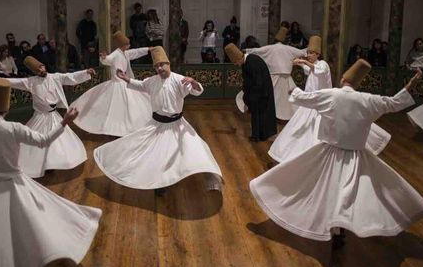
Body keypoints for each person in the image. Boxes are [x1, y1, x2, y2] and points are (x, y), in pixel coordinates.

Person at [250, 60, 423, 247]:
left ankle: (330, 223)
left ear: (343, 78)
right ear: (358, 83)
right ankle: (341, 226)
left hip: (329, 153)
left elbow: (306, 98)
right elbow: (394, 103)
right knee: (353, 192)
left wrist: (293, 92)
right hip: (356, 156)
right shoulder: (368, 100)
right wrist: (412, 84)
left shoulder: (332, 95)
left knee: (320, 187)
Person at [0, 79, 101, 267]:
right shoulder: (14, 129)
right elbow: (44, 141)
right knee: (29, 224)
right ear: (7, 109)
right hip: (12, 184)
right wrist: (65, 122)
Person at [94, 46, 222, 196]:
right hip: (157, 125)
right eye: (156, 66)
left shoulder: (178, 79)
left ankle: (205, 175)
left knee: (194, 148)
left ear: (168, 64)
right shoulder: (152, 81)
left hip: (176, 125)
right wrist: (126, 79)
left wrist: (193, 82)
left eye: (162, 65)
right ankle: (159, 185)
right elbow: (141, 85)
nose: (160, 68)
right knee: (156, 154)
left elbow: (197, 90)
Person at [269, 36, 392, 165]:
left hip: (322, 104)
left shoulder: (323, 65)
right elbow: (310, 70)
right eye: (308, 53)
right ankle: (291, 155)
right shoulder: (314, 65)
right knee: (298, 129)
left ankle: (317, 159)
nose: (309, 55)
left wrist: (304, 62)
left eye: (311, 53)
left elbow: (319, 71)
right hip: (310, 103)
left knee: (318, 131)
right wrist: (300, 63)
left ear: (318, 54)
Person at [0, 56, 96, 178]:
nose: (41, 70)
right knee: (37, 140)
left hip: (53, 115)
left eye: (41, 67)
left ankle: (54, 163)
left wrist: (86, 72)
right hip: (40, 116)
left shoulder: (56, 77)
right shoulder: (31, 82)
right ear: (35, 72)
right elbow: (15, 82)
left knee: (59, 140)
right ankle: (41, 165)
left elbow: (71, 77)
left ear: (44, 66)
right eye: (38, 70)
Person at [70, 31, 152, 137]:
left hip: (125, 82)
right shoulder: (116, 54)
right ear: (122, 45)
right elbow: (107, 60)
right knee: (116, 106)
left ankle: (130, 124)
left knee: (131, 105)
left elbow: (135, 52)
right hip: (117, 83)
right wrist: (104, 57)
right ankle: (116, 126)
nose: (129, 46)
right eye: (127, 44)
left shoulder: (126, 53)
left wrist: (147, 50)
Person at [238, 27, 307, 120]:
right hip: (285, 78)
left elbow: (258, 51)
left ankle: (269, 114)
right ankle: (289, 115)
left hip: (273, 77)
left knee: (269, 97)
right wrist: (311, 50)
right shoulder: (289, 49)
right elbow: (302, 52)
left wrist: (247, 50)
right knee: (288, 99)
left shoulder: (270, 48)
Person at [225, 43, 277, 142]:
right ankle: (256, 135)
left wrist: (252, 97)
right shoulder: (248, 62)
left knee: (260, 114)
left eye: (235, 62)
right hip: (256, 92)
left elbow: (258, 81)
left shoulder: (252, 61)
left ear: (240, 58)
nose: (236, 65)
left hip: (261, 93)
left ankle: (260, 136)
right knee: (256, 114)